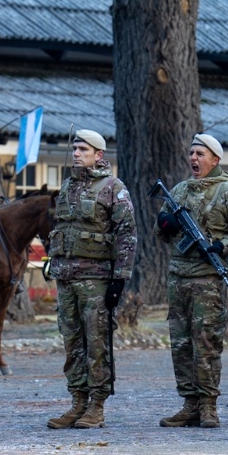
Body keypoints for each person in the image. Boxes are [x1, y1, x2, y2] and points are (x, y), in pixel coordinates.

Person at [155, 134, 228, 428]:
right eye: (192, 153)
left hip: (208, 280)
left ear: (215, 159)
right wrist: (167, 223)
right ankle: (189, 404)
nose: (194, 159)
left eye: (200, 154)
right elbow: (160, 230)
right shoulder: (180, 190)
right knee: (181, 344)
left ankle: (208, 405)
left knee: (206, 343)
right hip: (178, 278)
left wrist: (221, 246)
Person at [44, 130, 135, 430]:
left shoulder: (113, 188)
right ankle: (78, 402)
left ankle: (96, 406)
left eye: (83, 149)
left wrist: (120, 278)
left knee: (97, 343)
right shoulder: (68, 186)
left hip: (96, 279)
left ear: (98, 155)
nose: (76, 153)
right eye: (75, 148)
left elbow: (127, 235)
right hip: (66, 278)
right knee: (72, 342)